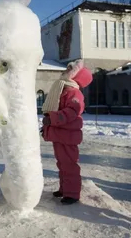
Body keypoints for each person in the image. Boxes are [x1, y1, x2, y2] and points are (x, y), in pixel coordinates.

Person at [41, 59, 93, 205]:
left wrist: (52, 119)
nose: (65, 71)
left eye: (69, 69)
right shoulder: (63, 90)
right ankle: (65, 189)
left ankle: (72, 193)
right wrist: (48, 125)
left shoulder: (74, 93)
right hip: (60, 134)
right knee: (62, 164)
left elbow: (71, 112)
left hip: (68, 136)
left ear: (75, 76)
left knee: (69, 165)